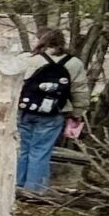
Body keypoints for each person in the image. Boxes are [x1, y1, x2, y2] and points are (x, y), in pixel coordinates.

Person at [16, 29, 75, 196]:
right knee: (41, 150)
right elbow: (79, 91)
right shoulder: (74, 63)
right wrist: (77, 112)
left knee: (22, 148)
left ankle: (17, 184)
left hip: (26, 110)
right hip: (54, 113)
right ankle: (35, 189)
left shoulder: (29, 60)